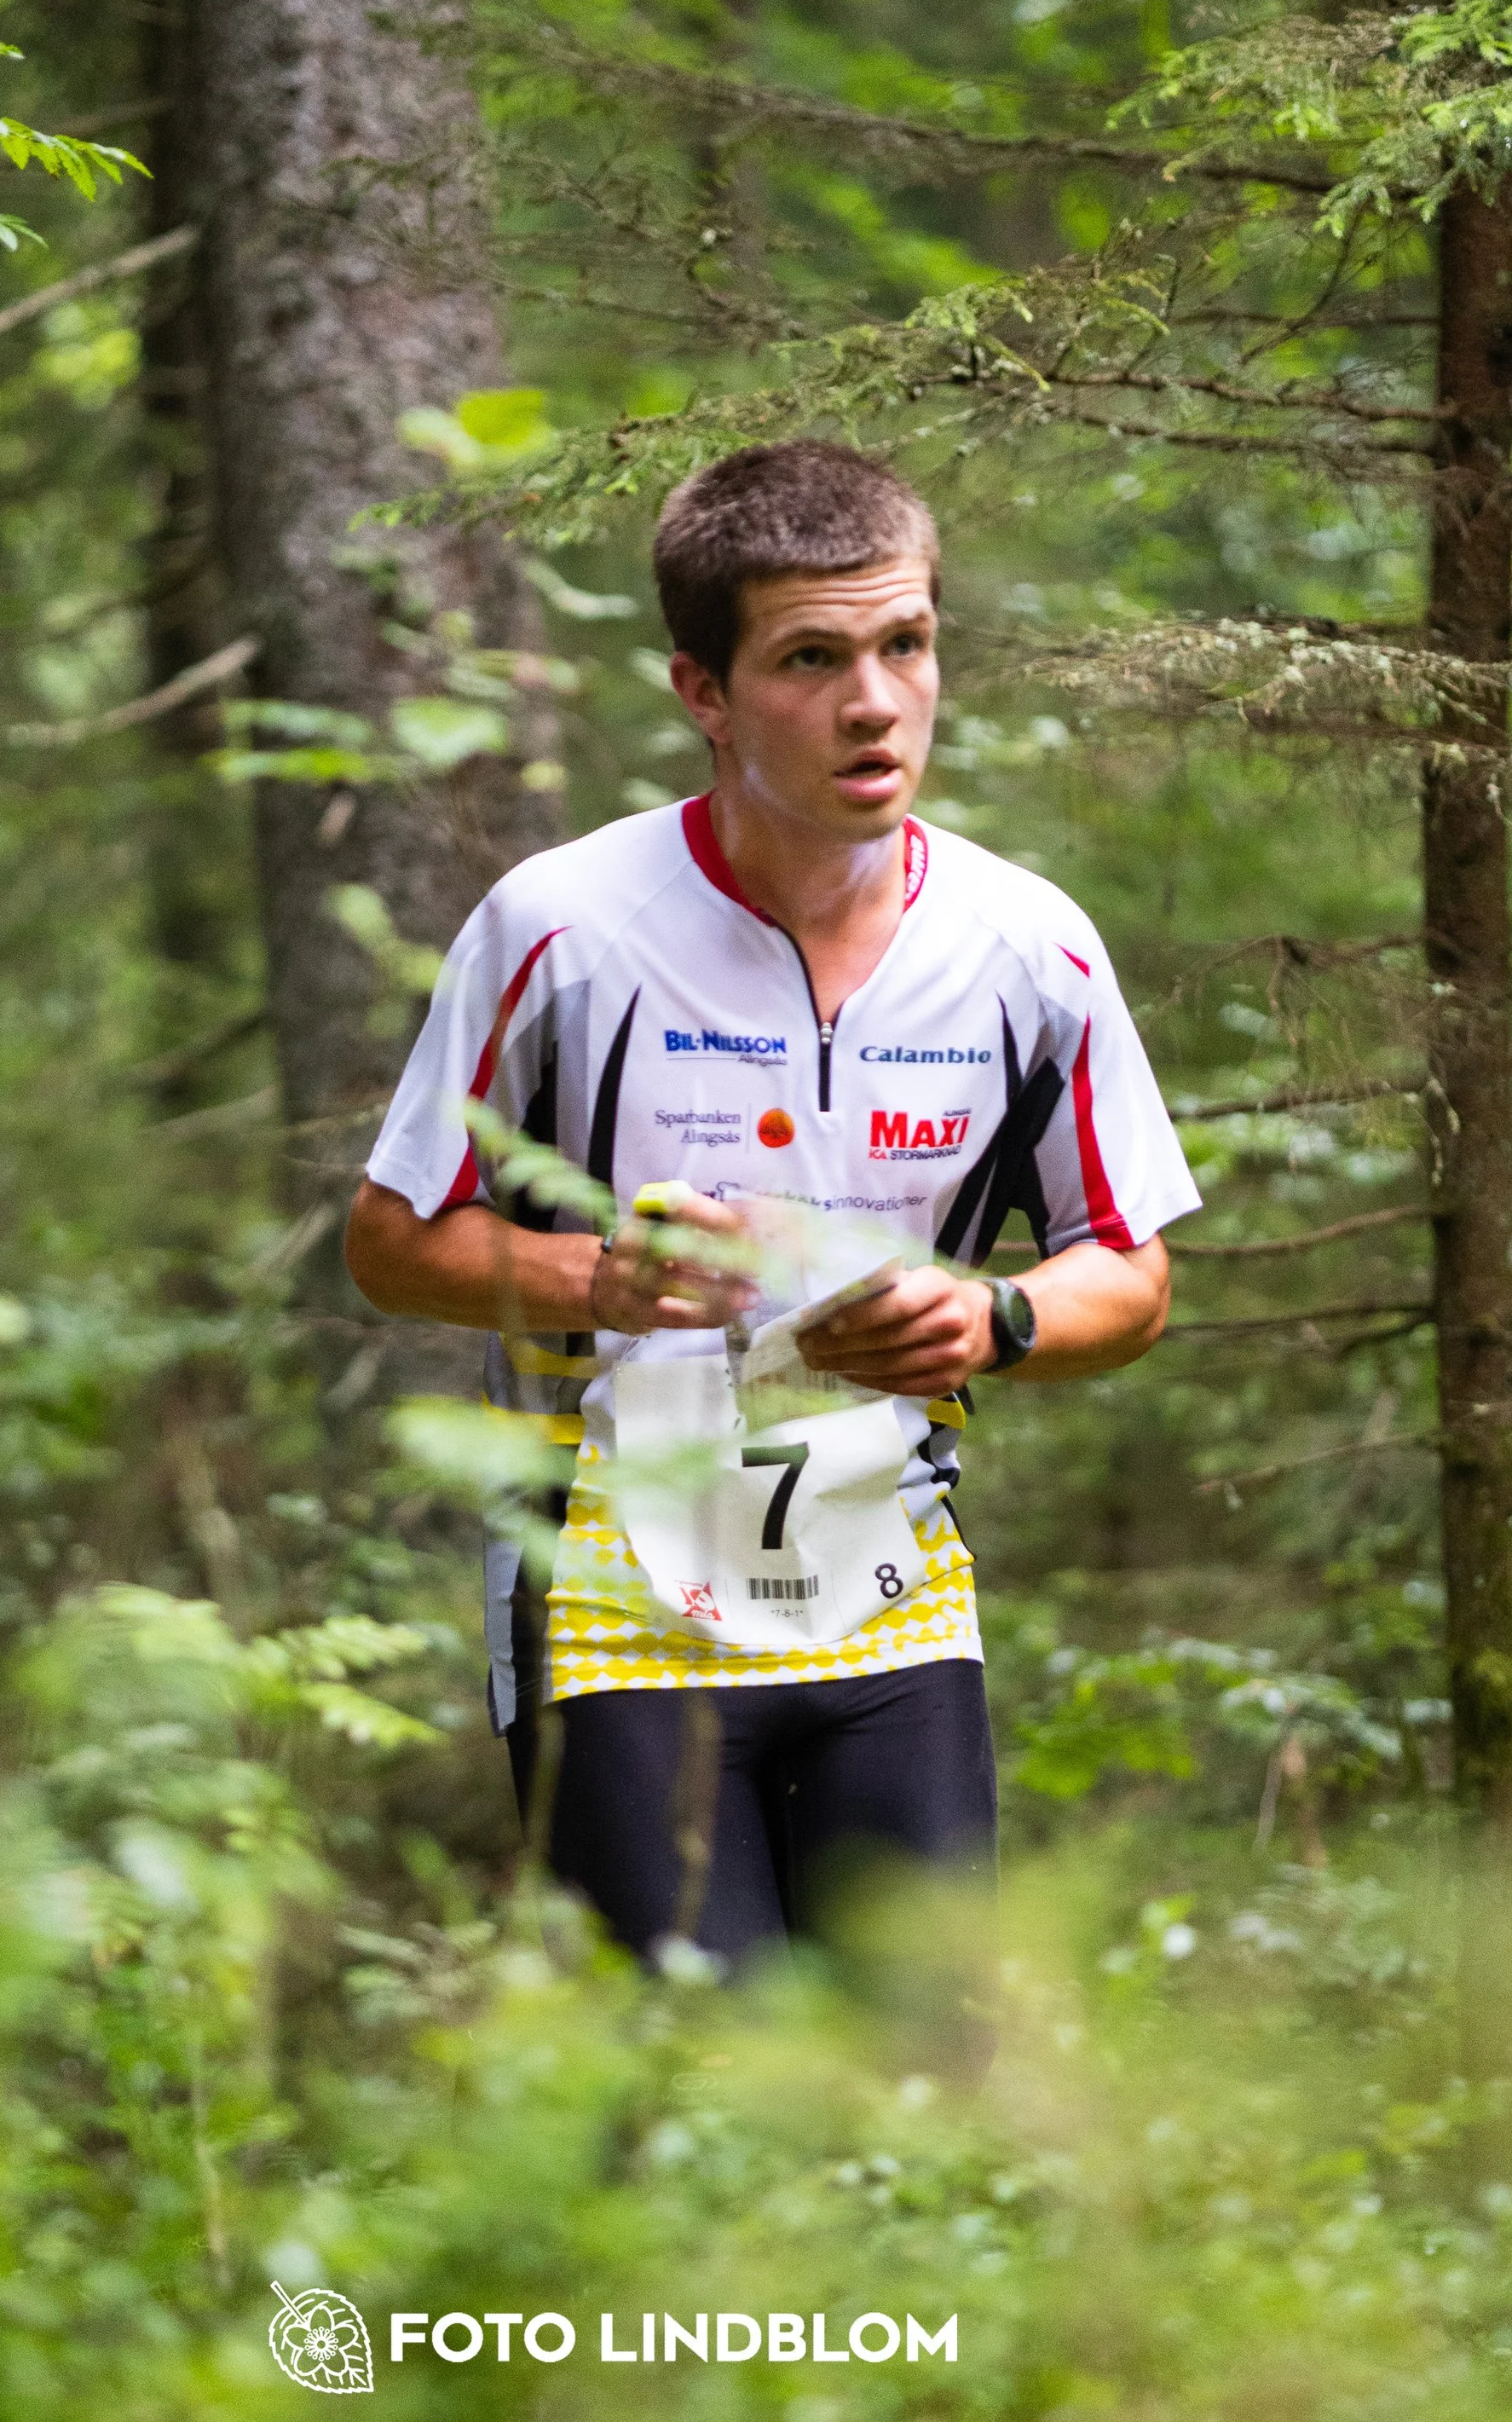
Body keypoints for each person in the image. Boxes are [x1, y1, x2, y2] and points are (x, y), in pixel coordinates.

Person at [345, 439, 1199, 1964]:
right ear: (705, 692)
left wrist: (992, 1317)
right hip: (617, 1599)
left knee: (918, 2097)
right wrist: (594, 1280)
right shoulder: (558, 928)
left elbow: (1128, 1275)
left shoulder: (1031, 948)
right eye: (811, 659)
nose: (874, 702)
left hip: (895, 1602)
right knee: (701, 2096)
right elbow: (393, 1243)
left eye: (906, 644)